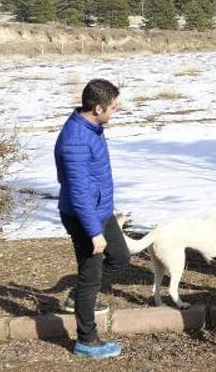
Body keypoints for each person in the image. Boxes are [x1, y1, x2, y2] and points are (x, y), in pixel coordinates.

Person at [54, 79, 129, 359]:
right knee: (90, 277)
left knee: (120, 257)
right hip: (84, 216)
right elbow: (78, 192)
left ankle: (78, 296)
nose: (115, 112)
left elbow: (92, 181)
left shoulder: (92, 127)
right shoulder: (76, 139)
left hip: (99, 210)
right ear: (98, 108)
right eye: (113, 108)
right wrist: (94, 232)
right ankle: (86, 340)